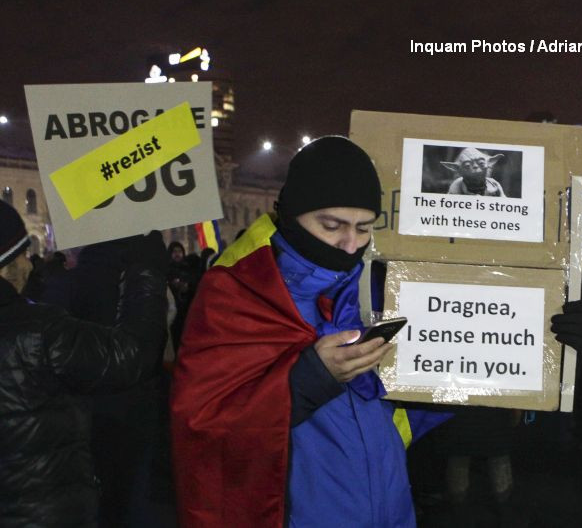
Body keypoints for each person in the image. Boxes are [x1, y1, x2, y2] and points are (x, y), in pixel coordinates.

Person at [171, 137, 449, 527]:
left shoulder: (376, 291)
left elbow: (398, 418)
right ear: (291, 215)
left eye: (364, 228)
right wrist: (310, 380)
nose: (351, 244)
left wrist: (469, 373)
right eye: (332, 225)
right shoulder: (236, 292)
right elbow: (203, 430)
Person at [0, 200, 168, 527]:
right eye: (22, 254)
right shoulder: (38, 331)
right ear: (5, 262)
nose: (31, 266)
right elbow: (132, 355)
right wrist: (146, 268)